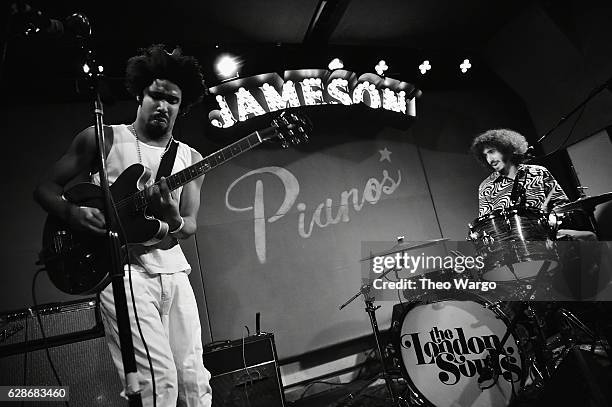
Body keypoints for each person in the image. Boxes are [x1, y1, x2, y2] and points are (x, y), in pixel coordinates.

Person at [34, 44, 212, 407]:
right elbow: (45, 189)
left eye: (172, 100)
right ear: (139, 94)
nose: (163, 105)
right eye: (155, 95)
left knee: (194, 379)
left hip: (174, 273)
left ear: (183, 106)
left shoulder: (191, 158)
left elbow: (189, 225)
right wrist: (72, 213)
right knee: (156, 384)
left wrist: (173, 220)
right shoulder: (104, 138)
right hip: (124, 271)